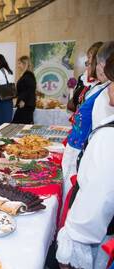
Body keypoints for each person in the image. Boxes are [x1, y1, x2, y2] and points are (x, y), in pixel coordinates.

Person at [56, 52, 114, 269]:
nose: (109, 90)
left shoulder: (108, 138)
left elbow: (99, 195)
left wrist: (73, 243)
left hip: (98, 236)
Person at [60, 41, 113, 213]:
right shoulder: (100, 88)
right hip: (78, 149)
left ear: (104, 64)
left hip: (84, 153)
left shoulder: (106, 94)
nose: (93, 66)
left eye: (94, 62)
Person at [67, 42, 103, 112]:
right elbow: (72, 105)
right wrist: (71, 90)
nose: (87, 62)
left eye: (89, 59)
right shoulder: (82, 78)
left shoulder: (104, 85)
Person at [12, 55, 37, 124]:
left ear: (24, 64)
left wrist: (23, 100)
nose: (18, 66)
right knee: (20, 125)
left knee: (18, 125)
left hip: (26, 105)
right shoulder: (26, 75)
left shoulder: (28, 75)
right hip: (25, 104)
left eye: (19, 63)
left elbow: (30, 89)